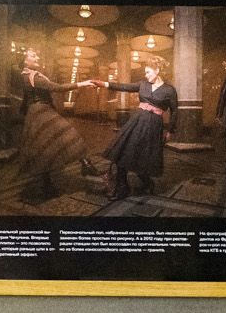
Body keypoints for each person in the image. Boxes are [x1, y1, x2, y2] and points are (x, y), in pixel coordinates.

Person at [10, 46, 89, 202]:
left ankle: (82, 164)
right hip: (40, 113)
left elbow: (26, 99)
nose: (37, 58)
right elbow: (57, 88)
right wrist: (82, 83)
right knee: (62, 135)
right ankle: (82, 164)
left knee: (46, 146)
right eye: (33, 56)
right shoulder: (30, 76)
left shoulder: (32, 75)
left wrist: (24, 115)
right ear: (25, 61)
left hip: (40, 112)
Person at [89, 60, 176, 200]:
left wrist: (170, 131)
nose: (146, 75)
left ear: (157, 70)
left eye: (148, 72)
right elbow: (123, 86)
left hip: (154, 126)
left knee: (144, 158)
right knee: (123, 152)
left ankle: (147, 183)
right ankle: (122, 188)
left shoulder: (169, 90)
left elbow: (175, 110)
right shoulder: (143, 84)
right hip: (137, 121)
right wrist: (104, 83)